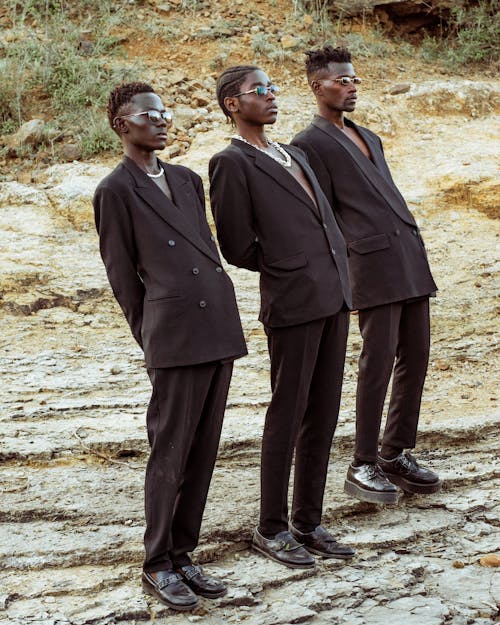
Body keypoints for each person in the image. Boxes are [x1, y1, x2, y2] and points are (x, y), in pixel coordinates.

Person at [93, 82, 247, 611]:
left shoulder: (186, 179)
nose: (162, 120)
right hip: (174, 336)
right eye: (149, 114)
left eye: (165, 112)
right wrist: (153, 339)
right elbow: (123, 280)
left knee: (203, 452)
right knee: (170, 453)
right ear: (122, 124)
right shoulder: (114, 191)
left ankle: (184, 555)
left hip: (217, 329)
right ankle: (157, 563)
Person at [209, 65, 355, 569]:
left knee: (325, 411)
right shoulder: (231, 162)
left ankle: (308, 522)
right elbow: (235, 244)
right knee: (288, 413)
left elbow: (324, 215)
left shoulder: (294, 153)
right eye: (259, 91)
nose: (271, 97)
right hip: (292, 301)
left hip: (335, 295)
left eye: (273, 89)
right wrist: (288, 267)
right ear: (233, 103)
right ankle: (271, 528)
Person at [291, 45, 441, 504]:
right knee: (376, 363)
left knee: (415, 356)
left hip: (407, 258)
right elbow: (322, 217)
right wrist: (343, 279)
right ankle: (363, 463)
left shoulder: (369, 136)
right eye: (342, 81)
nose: (352, 87)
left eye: (355, 79)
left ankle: (395, 452)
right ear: (317, 87)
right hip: (369, 266)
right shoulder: (307, 143)